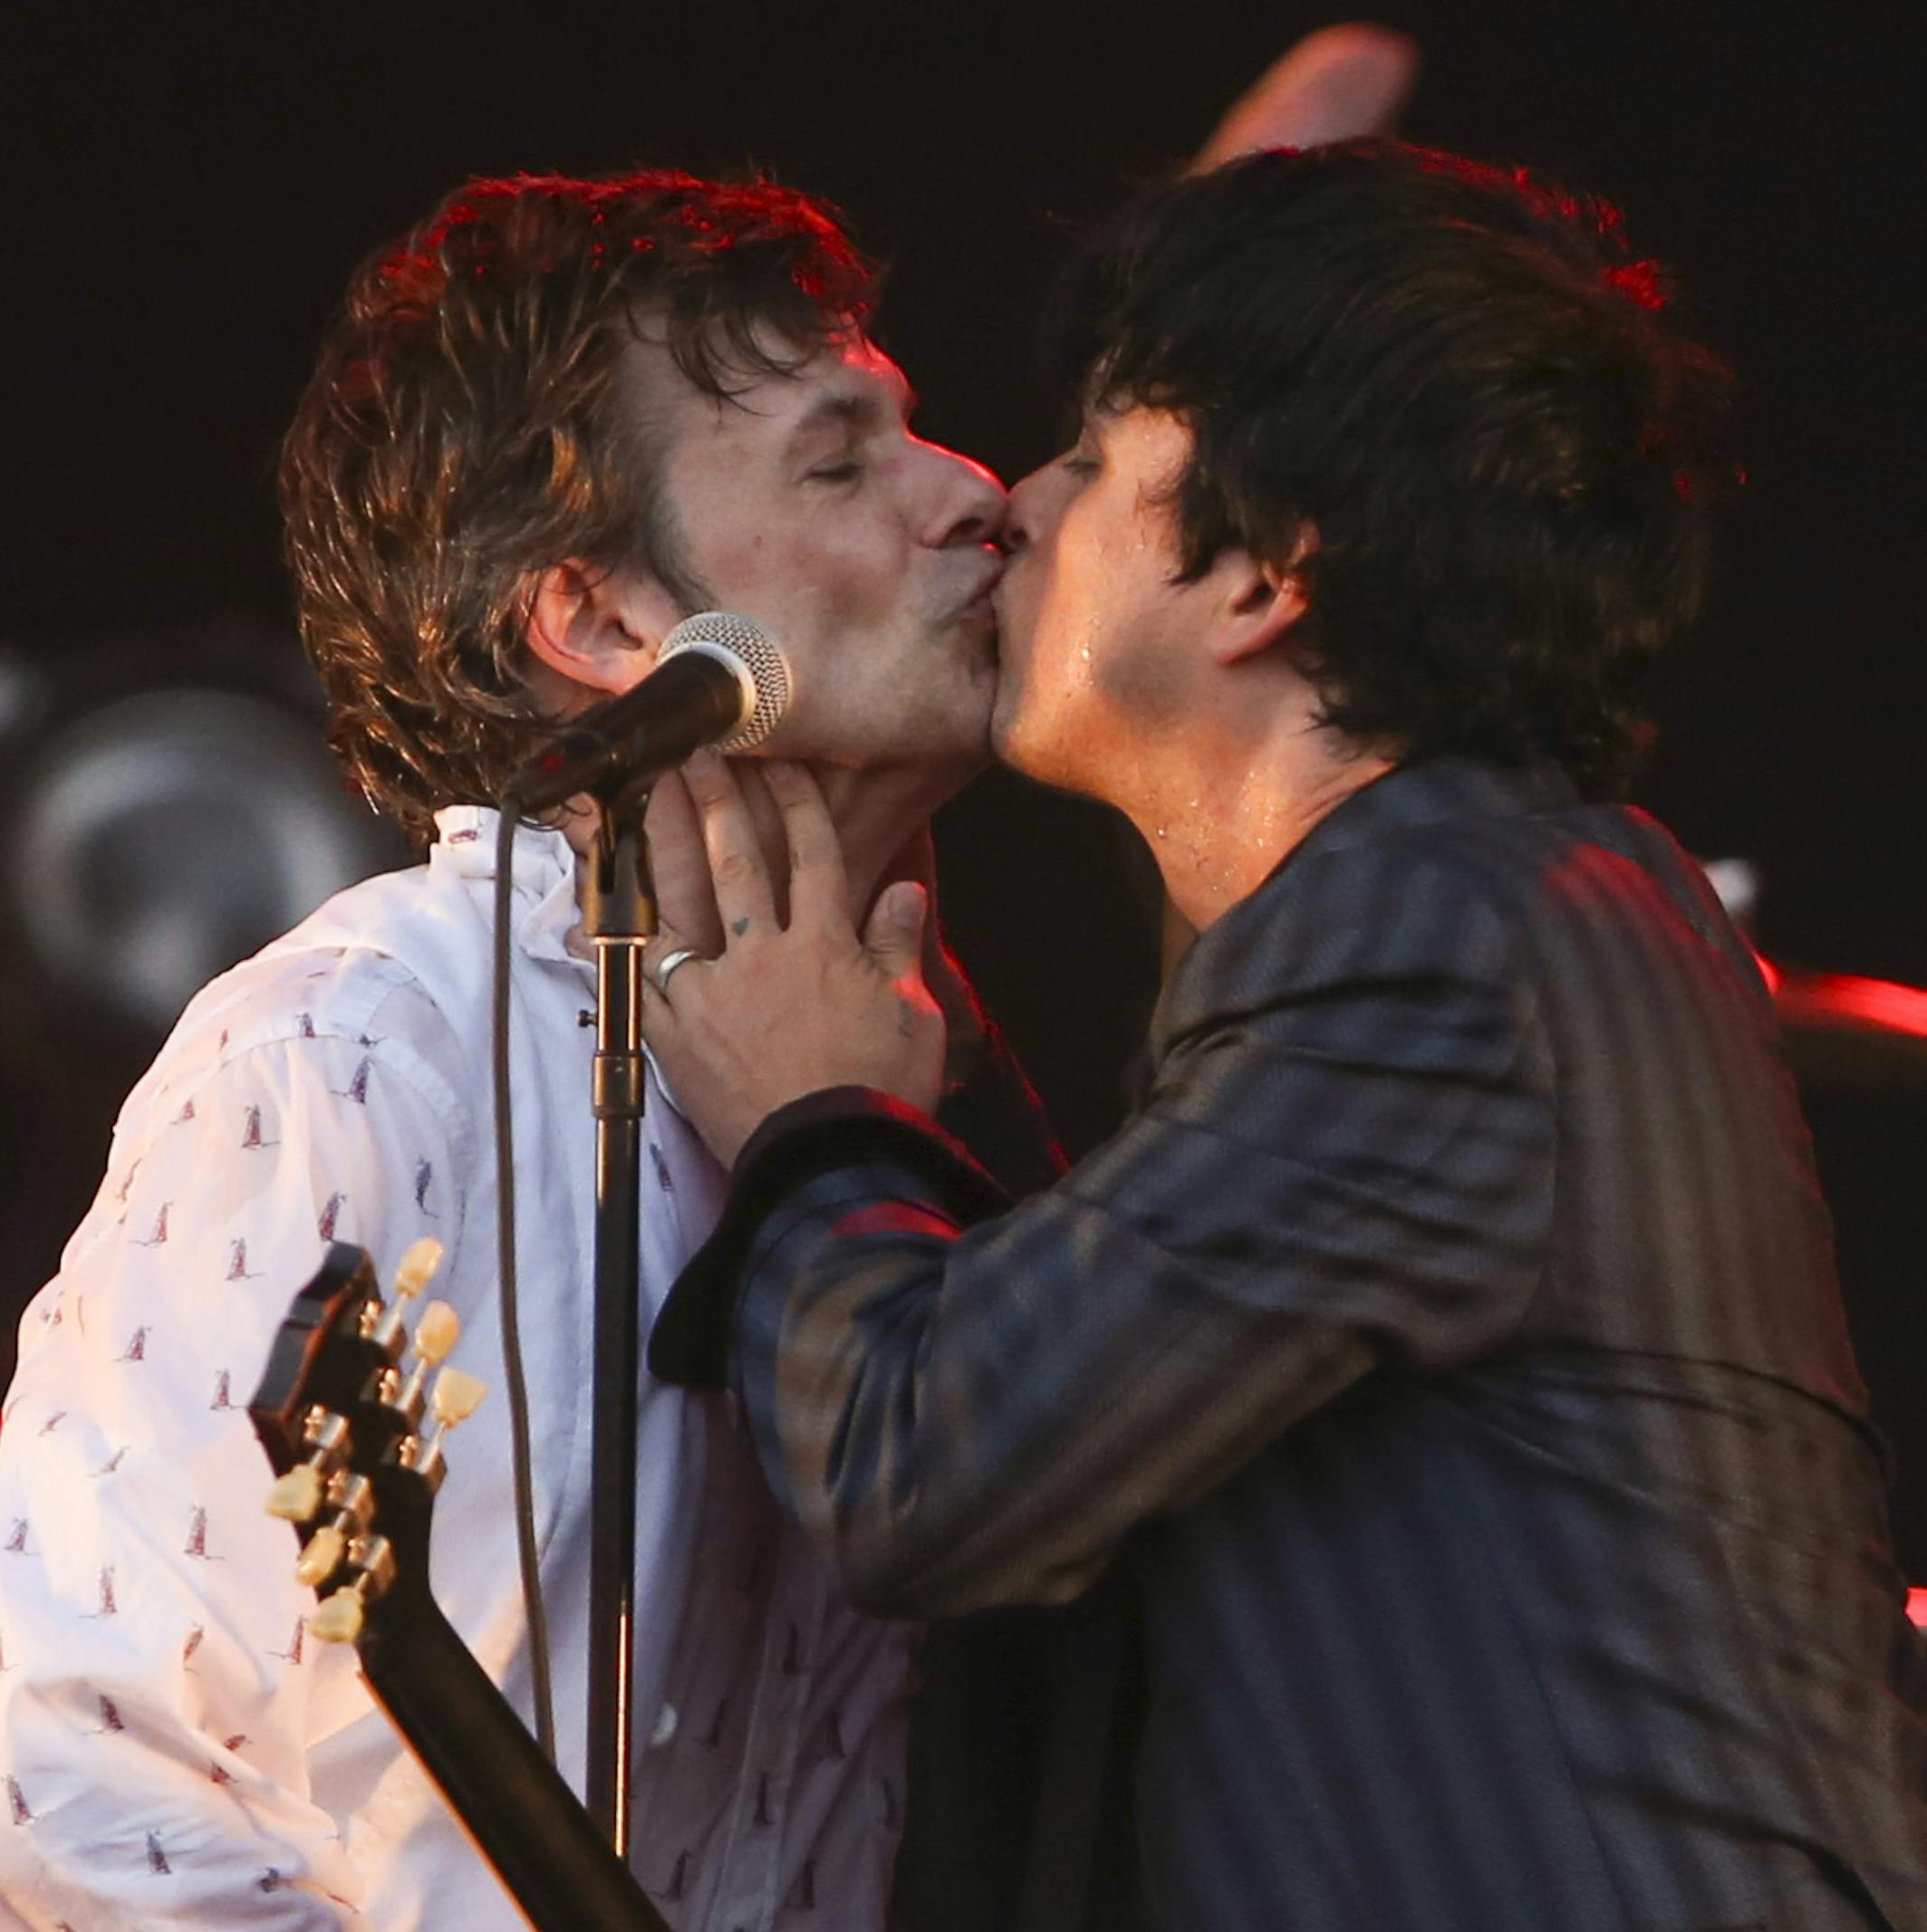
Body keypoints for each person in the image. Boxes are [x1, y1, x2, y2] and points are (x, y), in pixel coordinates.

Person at [640, 142, 1927, 1930]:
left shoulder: (1450, 937)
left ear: (1267, 573)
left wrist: (819, 1115)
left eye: (1095, 455)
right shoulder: (1476, 916)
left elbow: (929, 1461)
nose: (1018, 500)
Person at [0, 167, 1043, 1932]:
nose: (972, 495)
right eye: (843, 460)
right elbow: (229, 1817)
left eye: (916, 431)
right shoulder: (372, 1045)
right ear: (610, 625)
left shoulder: (880, 1051)